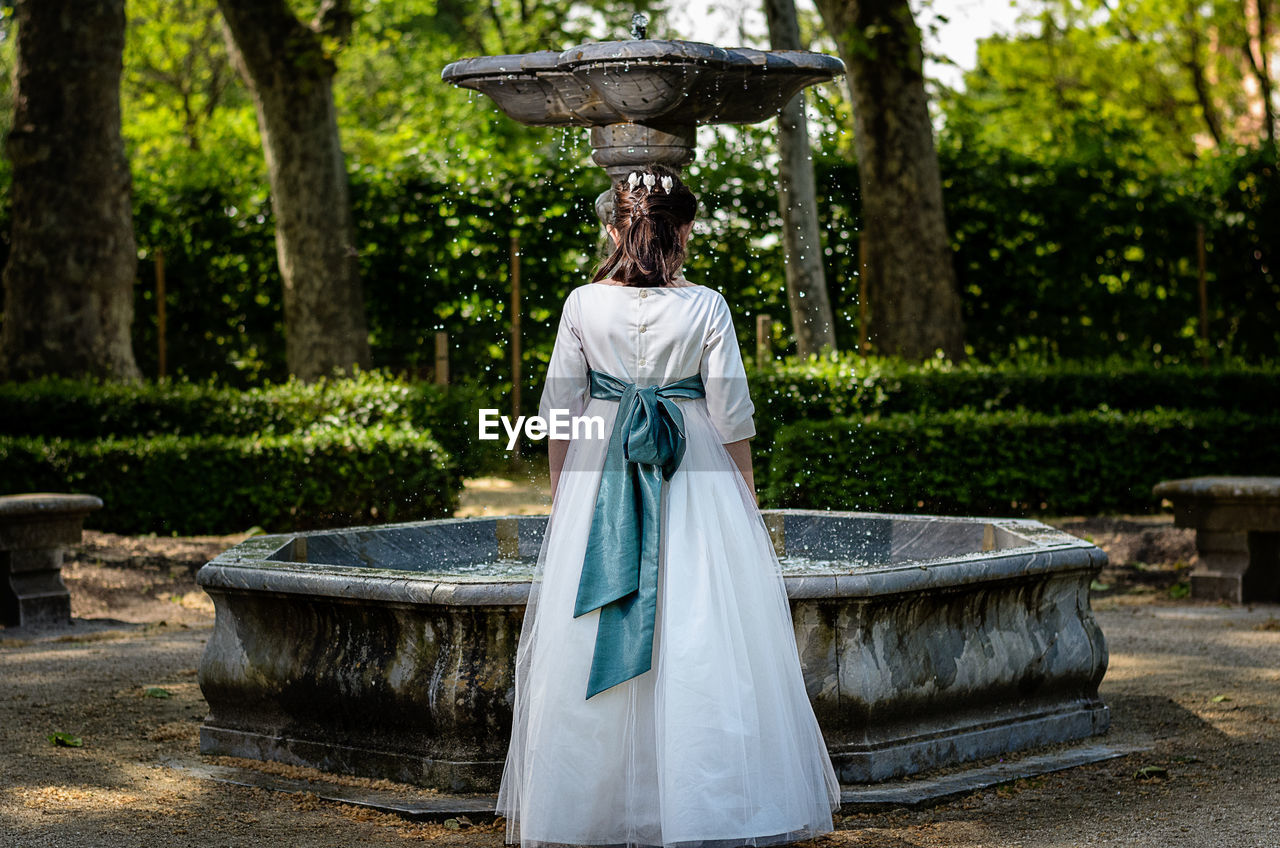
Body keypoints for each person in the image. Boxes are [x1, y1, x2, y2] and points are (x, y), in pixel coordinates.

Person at [497, 164, 841, 848]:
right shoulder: (707, 306)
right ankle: (702, 805)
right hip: (695, 475)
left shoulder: (581, 304)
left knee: (593, 627)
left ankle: (589, 807)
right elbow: (732, 417)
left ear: (613, 228)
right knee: (700, 631)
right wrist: (745, 502)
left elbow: (559, 416)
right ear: (683, 230)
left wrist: (566, 500)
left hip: (602, 468)